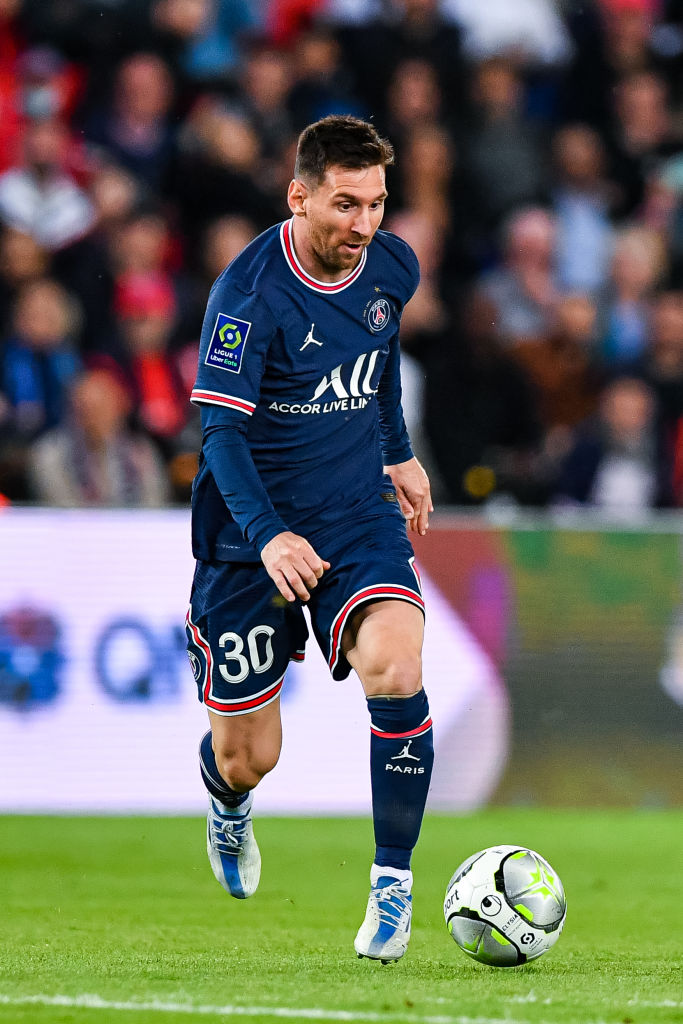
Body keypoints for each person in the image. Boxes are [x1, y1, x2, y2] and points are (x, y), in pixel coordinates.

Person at [186, 114, 433, 963]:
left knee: (397, 665)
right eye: (344, 204)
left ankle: (392, 886)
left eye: (376, 203)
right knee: (250, 757)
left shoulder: (391, 268)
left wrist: (397, 452)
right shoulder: (248, 295)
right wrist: (269, 538)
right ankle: (226, 801)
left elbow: (378, 357)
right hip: (248, 536)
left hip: (355, 515)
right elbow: (220, 436)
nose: (363, 224)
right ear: (298, 196)